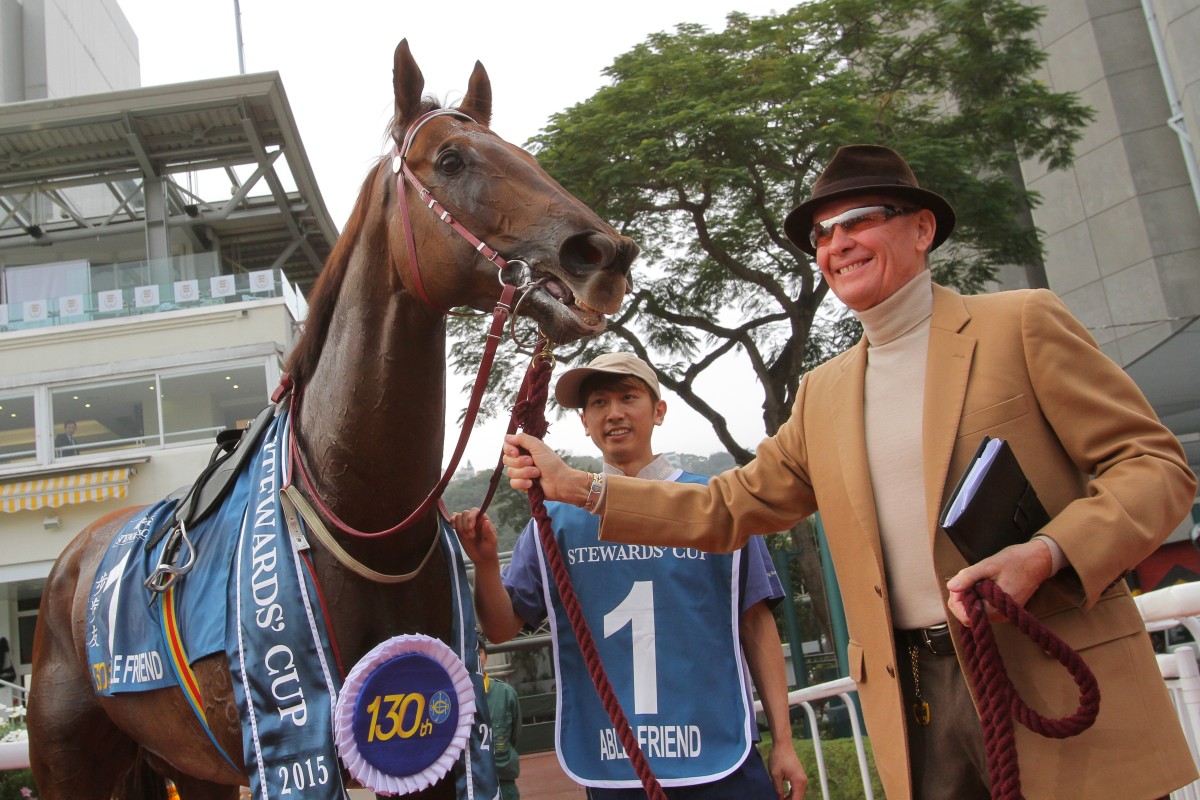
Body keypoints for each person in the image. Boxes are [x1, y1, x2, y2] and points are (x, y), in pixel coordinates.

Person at [500, 145, 1200, 799]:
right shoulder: (824, 391)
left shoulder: (1020, 324)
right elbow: (726, 507)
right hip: (915, 698)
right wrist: (578, 488)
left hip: (1039, 671)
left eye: (858, 222)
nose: (837, 246)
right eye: (823, 237)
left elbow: (1155, 467)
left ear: (922, 229)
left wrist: (1047, 553)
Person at [452, 352, 807, 800]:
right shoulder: (555, 521)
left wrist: (785, 742)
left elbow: (755, 622)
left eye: (628, 396)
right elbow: (502, 627)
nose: (614, 412)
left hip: (719, 756)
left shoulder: (715, 504)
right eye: (598, 402)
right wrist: (485, 563)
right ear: (584, 421)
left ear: (659, 410)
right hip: (615, 762)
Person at [479, 637, 522, 800]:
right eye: (471, 652)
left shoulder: (506, 693)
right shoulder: (454, 697)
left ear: (486, 656)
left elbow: (514, 736)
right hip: (471, 783)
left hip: (504, 781)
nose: (476, 656)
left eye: (480, 652)